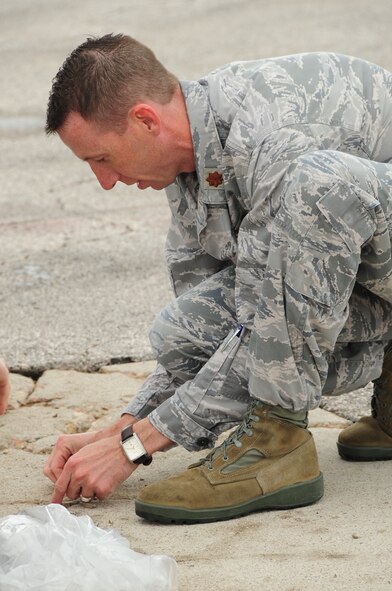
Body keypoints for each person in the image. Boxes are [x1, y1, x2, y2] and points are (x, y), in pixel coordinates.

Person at [44, 34, 392, 524]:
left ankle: (278, 441)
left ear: (145, 120)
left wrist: (136, 447)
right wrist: (125, 427)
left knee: (317, 187)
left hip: (359, 236)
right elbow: (221, 334)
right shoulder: (190, 164)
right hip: (372, 271)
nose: (104, 181)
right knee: (183, 327)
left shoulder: (268, 138)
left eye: (101, 159)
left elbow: (271, 325)